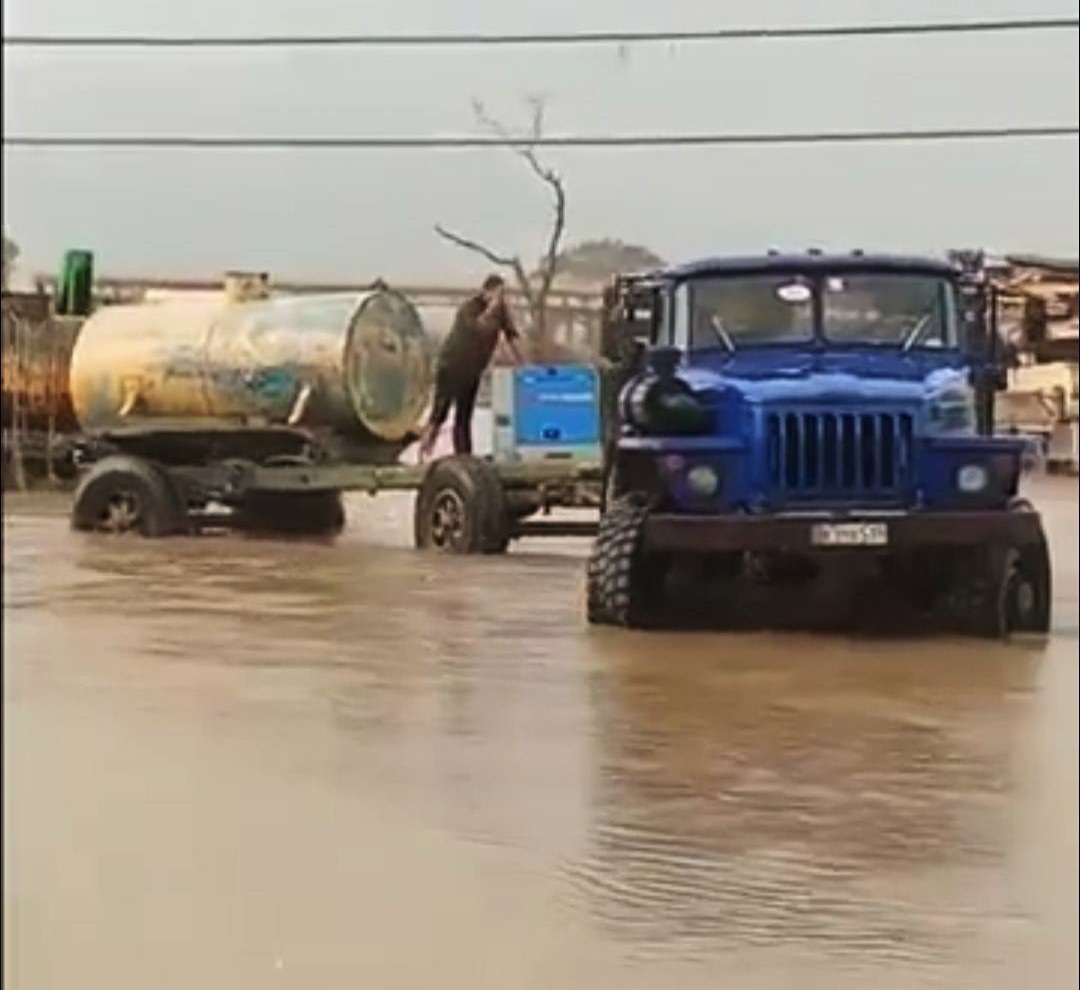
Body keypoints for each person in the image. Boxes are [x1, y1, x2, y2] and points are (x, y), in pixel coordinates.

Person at [418, 274, 523, 460]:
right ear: (485, 292)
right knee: (439, 415)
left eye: (501, 294)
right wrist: (491, 309)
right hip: (452, 365)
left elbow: (512, 336)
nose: (498, 299)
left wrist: (523, 364)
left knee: (464, 417)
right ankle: (423, 450)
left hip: (473, 370)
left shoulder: (501, 312)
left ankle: (464, 457)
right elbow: (477, 329)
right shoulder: (469, 308)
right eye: (495, 294)